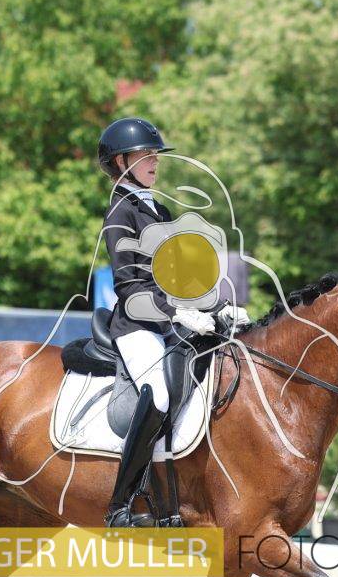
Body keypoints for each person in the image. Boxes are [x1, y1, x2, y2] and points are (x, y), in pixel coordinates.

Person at [97, 117, 246, 527]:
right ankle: (120, 505)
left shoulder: (158, 209)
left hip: (170, 324)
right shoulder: (120, 213)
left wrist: (218, 307)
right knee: (159, 397)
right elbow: (129, 286)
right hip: (137, 326)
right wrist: (176, 313)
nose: (154, 161)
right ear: (121, 161)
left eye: (154, 155)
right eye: (145, 154)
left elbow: (181, 278)